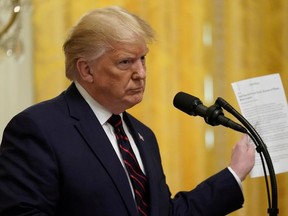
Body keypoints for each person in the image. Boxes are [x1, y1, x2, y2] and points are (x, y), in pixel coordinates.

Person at [0, 6, 255, 216]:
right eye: (125, 62)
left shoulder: (143, 135)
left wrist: (234, 174)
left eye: (142, 59)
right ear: (86, 70)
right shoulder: (39, 129)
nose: (141, 73)